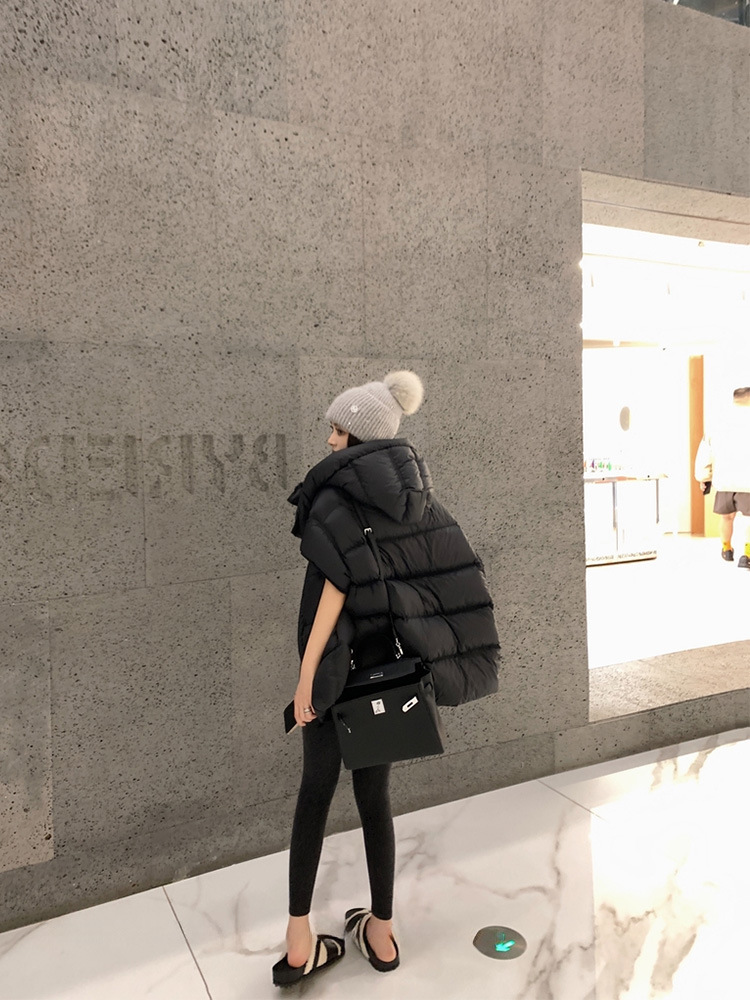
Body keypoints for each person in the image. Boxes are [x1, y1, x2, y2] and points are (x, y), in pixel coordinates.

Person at [272, 370, 500, 987]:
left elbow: (332, 593)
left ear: (361, 435)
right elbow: (441, 577)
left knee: (315, 793)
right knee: (375, 799)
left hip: (336, 672)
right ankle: (382, 930)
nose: (329, 440)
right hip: (387, 677)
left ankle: (299, 941)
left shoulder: (336, 499)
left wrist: (305, 680)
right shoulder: (419, 501)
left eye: (338, 430)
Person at [695, 386, 750, 569]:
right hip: (747, 482)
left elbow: (705, 453)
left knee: (726, 517)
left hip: (725, 481)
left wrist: (704, 477)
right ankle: (747, 555)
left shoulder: (719, 423)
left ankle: (726, 549)